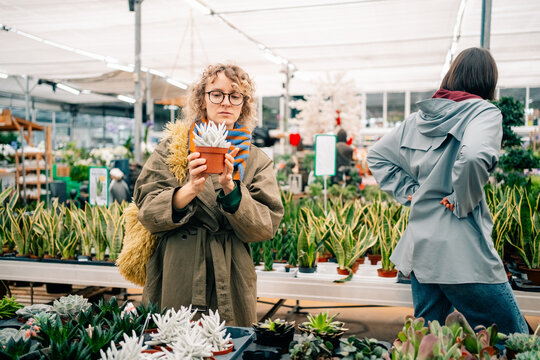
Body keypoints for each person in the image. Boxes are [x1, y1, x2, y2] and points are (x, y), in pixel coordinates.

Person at [367, 47, 528, 334]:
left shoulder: (419, 119)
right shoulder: (484, 112)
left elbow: (377, 155)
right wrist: (461, 200)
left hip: (421, 250)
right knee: (514, 338)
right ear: (488, 81)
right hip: (463, 251)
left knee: (428, 341)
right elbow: (476, 155)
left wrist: (411, 191)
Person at [133, 63, 284, 326]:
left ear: (243, 105)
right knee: (174, 344)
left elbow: (265, 226)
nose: (225, 102)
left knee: (229, 346)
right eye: (216, 94)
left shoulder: (257, 160)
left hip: (230, 272)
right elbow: (146, 210)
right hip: (177, 269)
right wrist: (189, 189)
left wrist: (231, 189)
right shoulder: (173, 148)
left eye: (235, 96)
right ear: (202, 100)